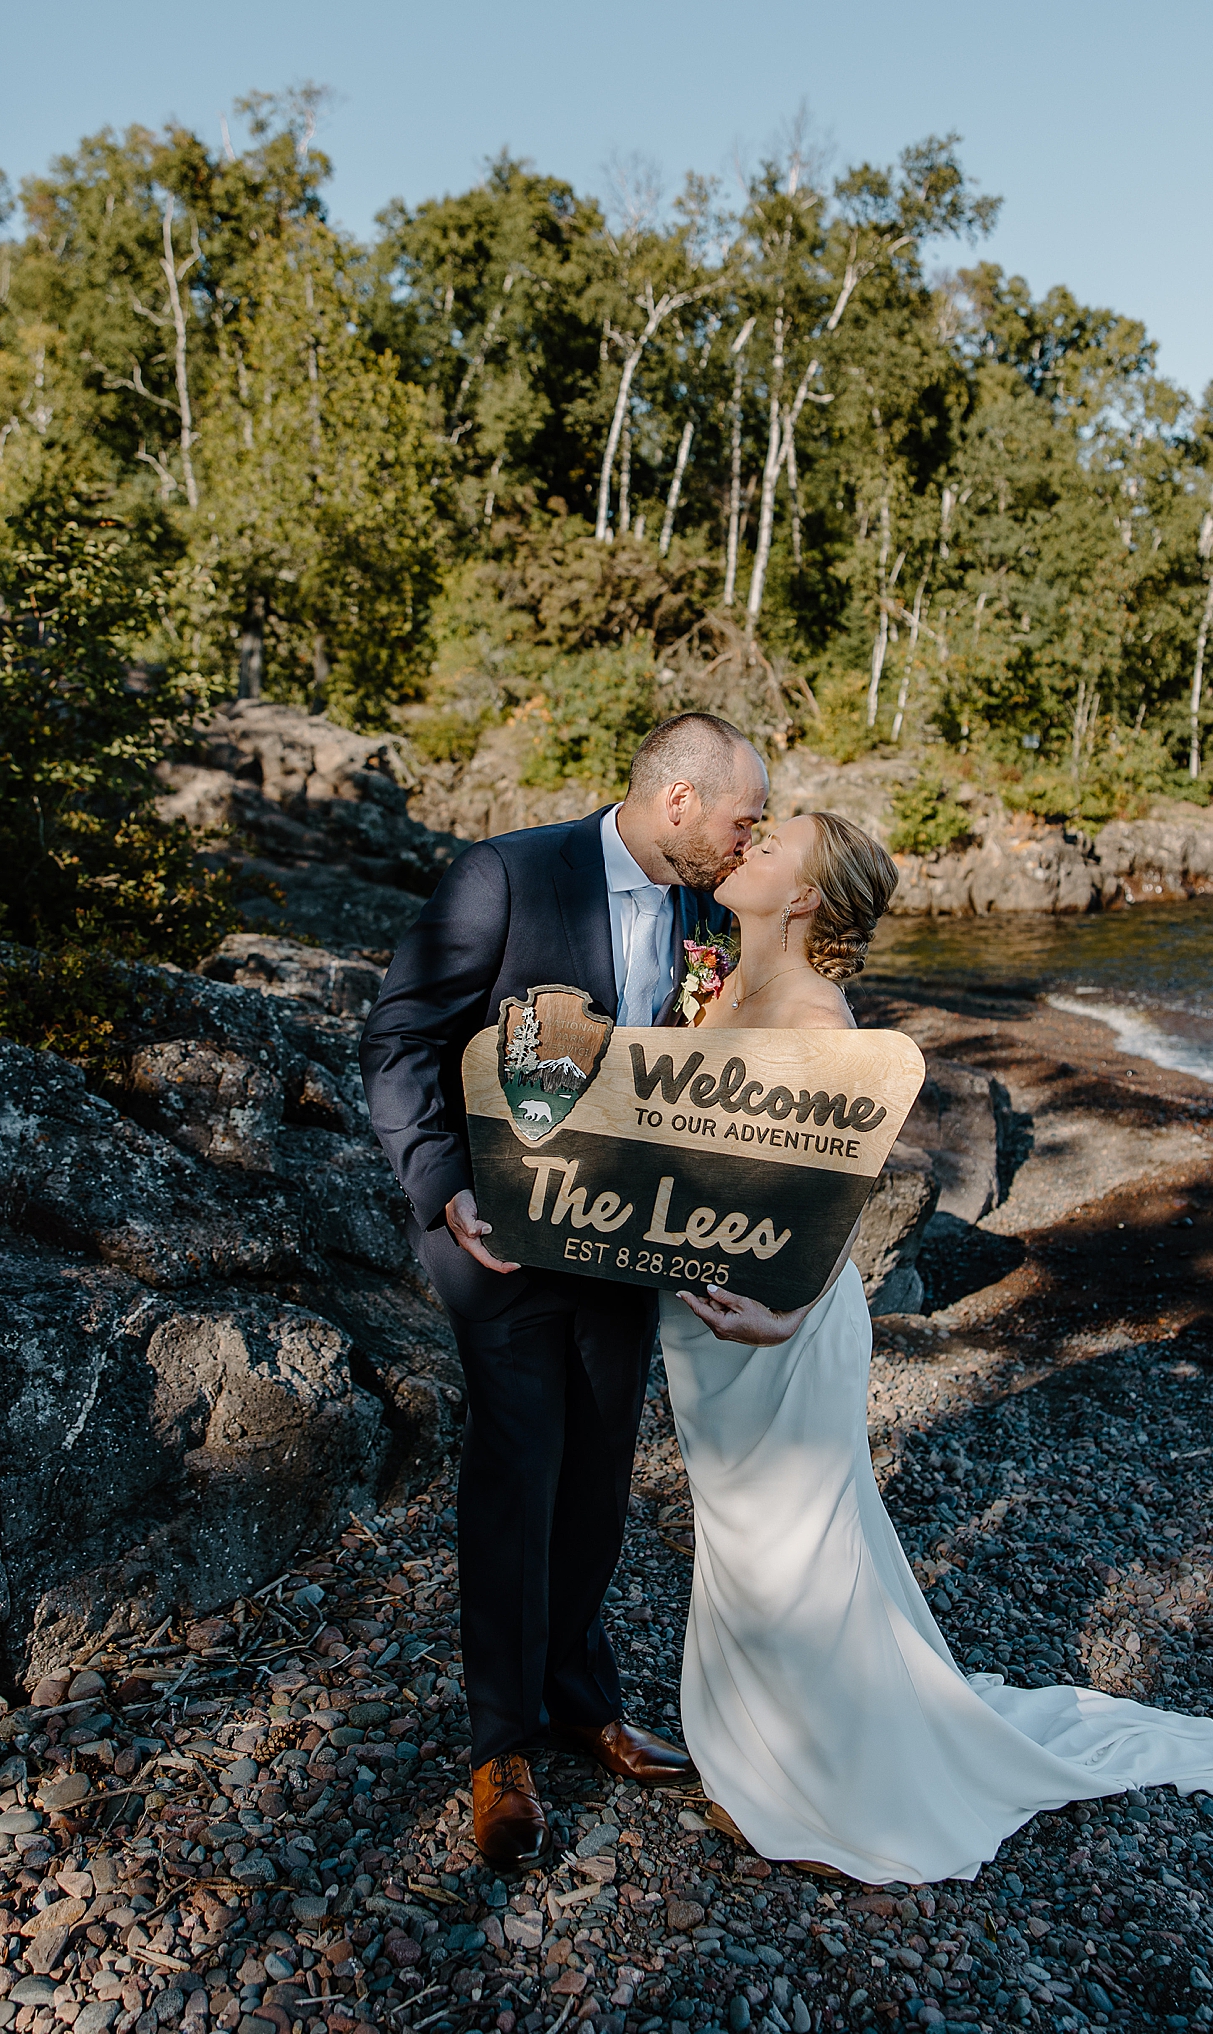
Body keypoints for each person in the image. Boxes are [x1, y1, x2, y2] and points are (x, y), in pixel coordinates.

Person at [657, 809, 1213, 1883]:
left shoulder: (816, 1016)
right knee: (742, 1549)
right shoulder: (725, 986)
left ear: (804, 899)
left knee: (795, 1559)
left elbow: (838, 1197)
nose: (747, 846)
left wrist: (789, 1315)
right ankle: (758, 1759)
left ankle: (840, 1799)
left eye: (773, 846)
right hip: (711, 1312)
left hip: (781, 1318)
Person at [360, 710, 769, 1868]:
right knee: (517, 1466)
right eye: (743, 817)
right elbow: (400, 1040)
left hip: (623, 1234)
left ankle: (585, 1699)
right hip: (497, 1232)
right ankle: (501, 1747)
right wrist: (443, 1186)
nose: (754, 839)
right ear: (679, 802)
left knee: (598, 1466)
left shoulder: (705, 912)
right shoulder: (505, 875)